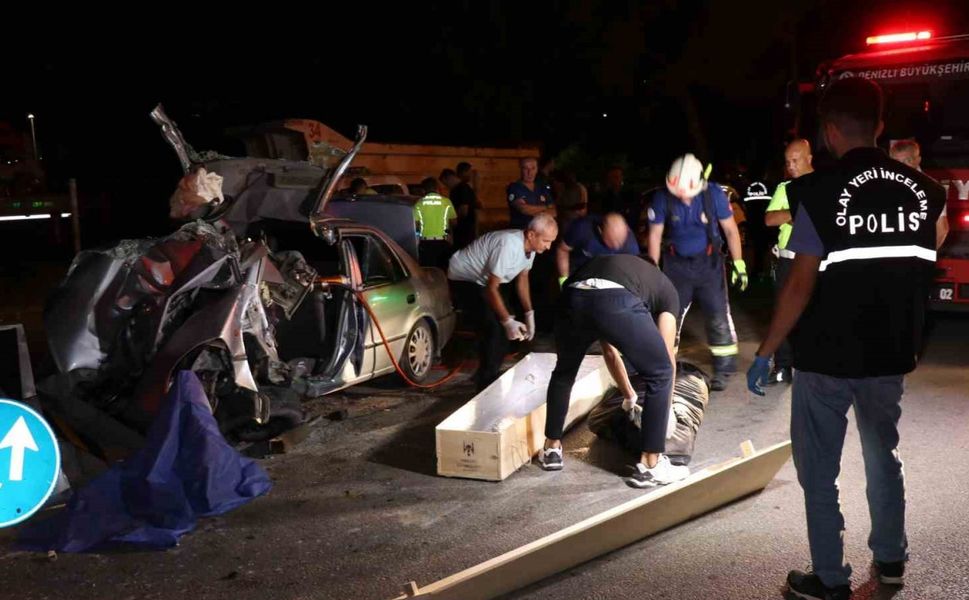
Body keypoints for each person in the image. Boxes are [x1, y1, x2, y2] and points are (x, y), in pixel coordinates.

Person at [747, 78, 948, 600]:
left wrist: (767, 350)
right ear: (879, 127)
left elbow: (799, 282)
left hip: (826, 354)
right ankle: (890, 560)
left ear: (829, 130)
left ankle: (830, 578)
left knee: (819, 467)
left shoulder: (817, 189)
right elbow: (925, 257)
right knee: (885, 454)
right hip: (891, 351)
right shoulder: (926, 190)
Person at [539, 254, 687, 489]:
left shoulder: (622, 270)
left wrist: (630, 397)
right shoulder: (668, 291)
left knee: (564, 372)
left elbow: (609, 351)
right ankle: (651, 464)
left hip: (571, 297)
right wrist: (664, 413)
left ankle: (551, 449)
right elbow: (666, 359)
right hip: (614, 300)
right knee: (660, 373)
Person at [646, 154, 747, 391]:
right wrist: (652, 271)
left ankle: (724, 368)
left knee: (718, 315)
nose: (682, 196)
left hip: (709, 264)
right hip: (676, 265)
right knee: (669, 315)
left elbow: (731, 231)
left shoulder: (713, 195)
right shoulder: (662, 198)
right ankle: (663, 367)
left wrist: (739, 265)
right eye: (677, 191)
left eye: (687, 192)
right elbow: (654, 235)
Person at [448, 214, 558, 391]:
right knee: (493, 326)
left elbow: (523, 279)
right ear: (531, 235)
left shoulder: (530, 249)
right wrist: (507, 321)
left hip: (487, 280)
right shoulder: (508, 246)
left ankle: (488, 370)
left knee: (509, 323)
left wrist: (530, 314)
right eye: (546, 241)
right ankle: (485, 382)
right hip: (465, 277)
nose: (548, 247)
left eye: (551, 241)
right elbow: (491, 288)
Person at [763, 138, 815, 384]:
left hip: (814, 260)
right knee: (782, 313)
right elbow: (770, 219)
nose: (791, 166)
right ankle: (783, 366)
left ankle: (812, 366)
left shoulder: (823, 184)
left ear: (809, 158)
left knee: (814, 313)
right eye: (787, 162)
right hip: (787, 260)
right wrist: (794, 214)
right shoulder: (785, 188)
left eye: (796, 160)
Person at [556, 212, 639, 282]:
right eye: (612, 241)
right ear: (600, 231)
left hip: (608, 276)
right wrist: (564, 281)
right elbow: (562, 250)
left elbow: (634, 273)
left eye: (620, 241)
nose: (617, 246)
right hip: (578, 270)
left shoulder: (630, 244)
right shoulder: (582, 228)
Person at [413, 176, 456, 268]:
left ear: (423, 190)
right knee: (443, 270)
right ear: (437, 188)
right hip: (443, 242)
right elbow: (454, 222)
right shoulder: (446, 202)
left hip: (426, 243)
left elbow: (415, 225)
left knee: (428, 271)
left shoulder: (419, 203)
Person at [507, 157, 555, 229]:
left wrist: (533, 211)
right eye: (525, 168)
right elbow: (523, 208)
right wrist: (546, 207)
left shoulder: (542, 187)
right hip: (521, 231)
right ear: (521, 170)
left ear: (537, 170)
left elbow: (554, 211)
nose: (530, 172)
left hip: (540, 232)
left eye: (533, 168)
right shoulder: (515, 187)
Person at [450, 161, 480, 250]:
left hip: (461, 229)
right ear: (464, 172)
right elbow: (464, 209)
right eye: (469, 172)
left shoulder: (456, 189)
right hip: (465, 229)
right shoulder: (463, 188)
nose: (471, 175)